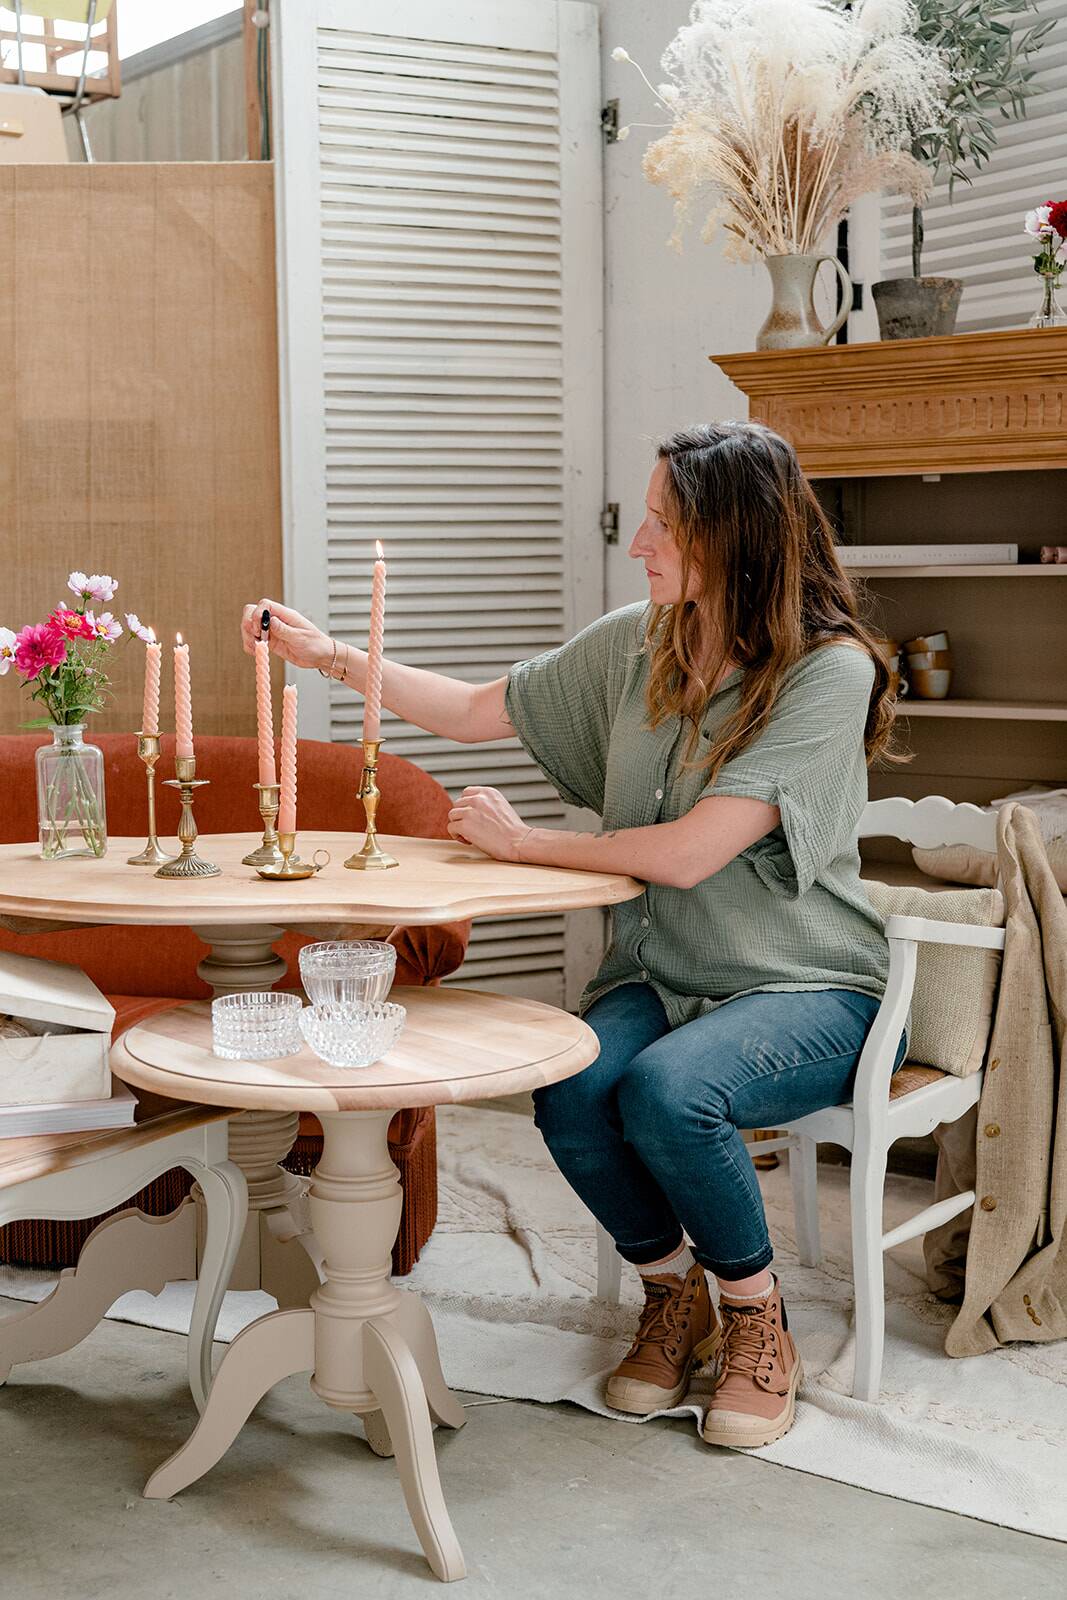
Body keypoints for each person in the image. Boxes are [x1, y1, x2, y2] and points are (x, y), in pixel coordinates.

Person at [242, 420, 907, 1450]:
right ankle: (667, 1290)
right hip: (674, 973)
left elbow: (691, 852)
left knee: (669, 1091)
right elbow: (471, 709)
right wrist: (325, 653)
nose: (637, 542)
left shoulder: (829, 672)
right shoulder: (642, 641)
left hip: (813, 985)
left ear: (733, 541)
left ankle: (753, 1317)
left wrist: (524, 846)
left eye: (661, 524)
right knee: (569, 1081)